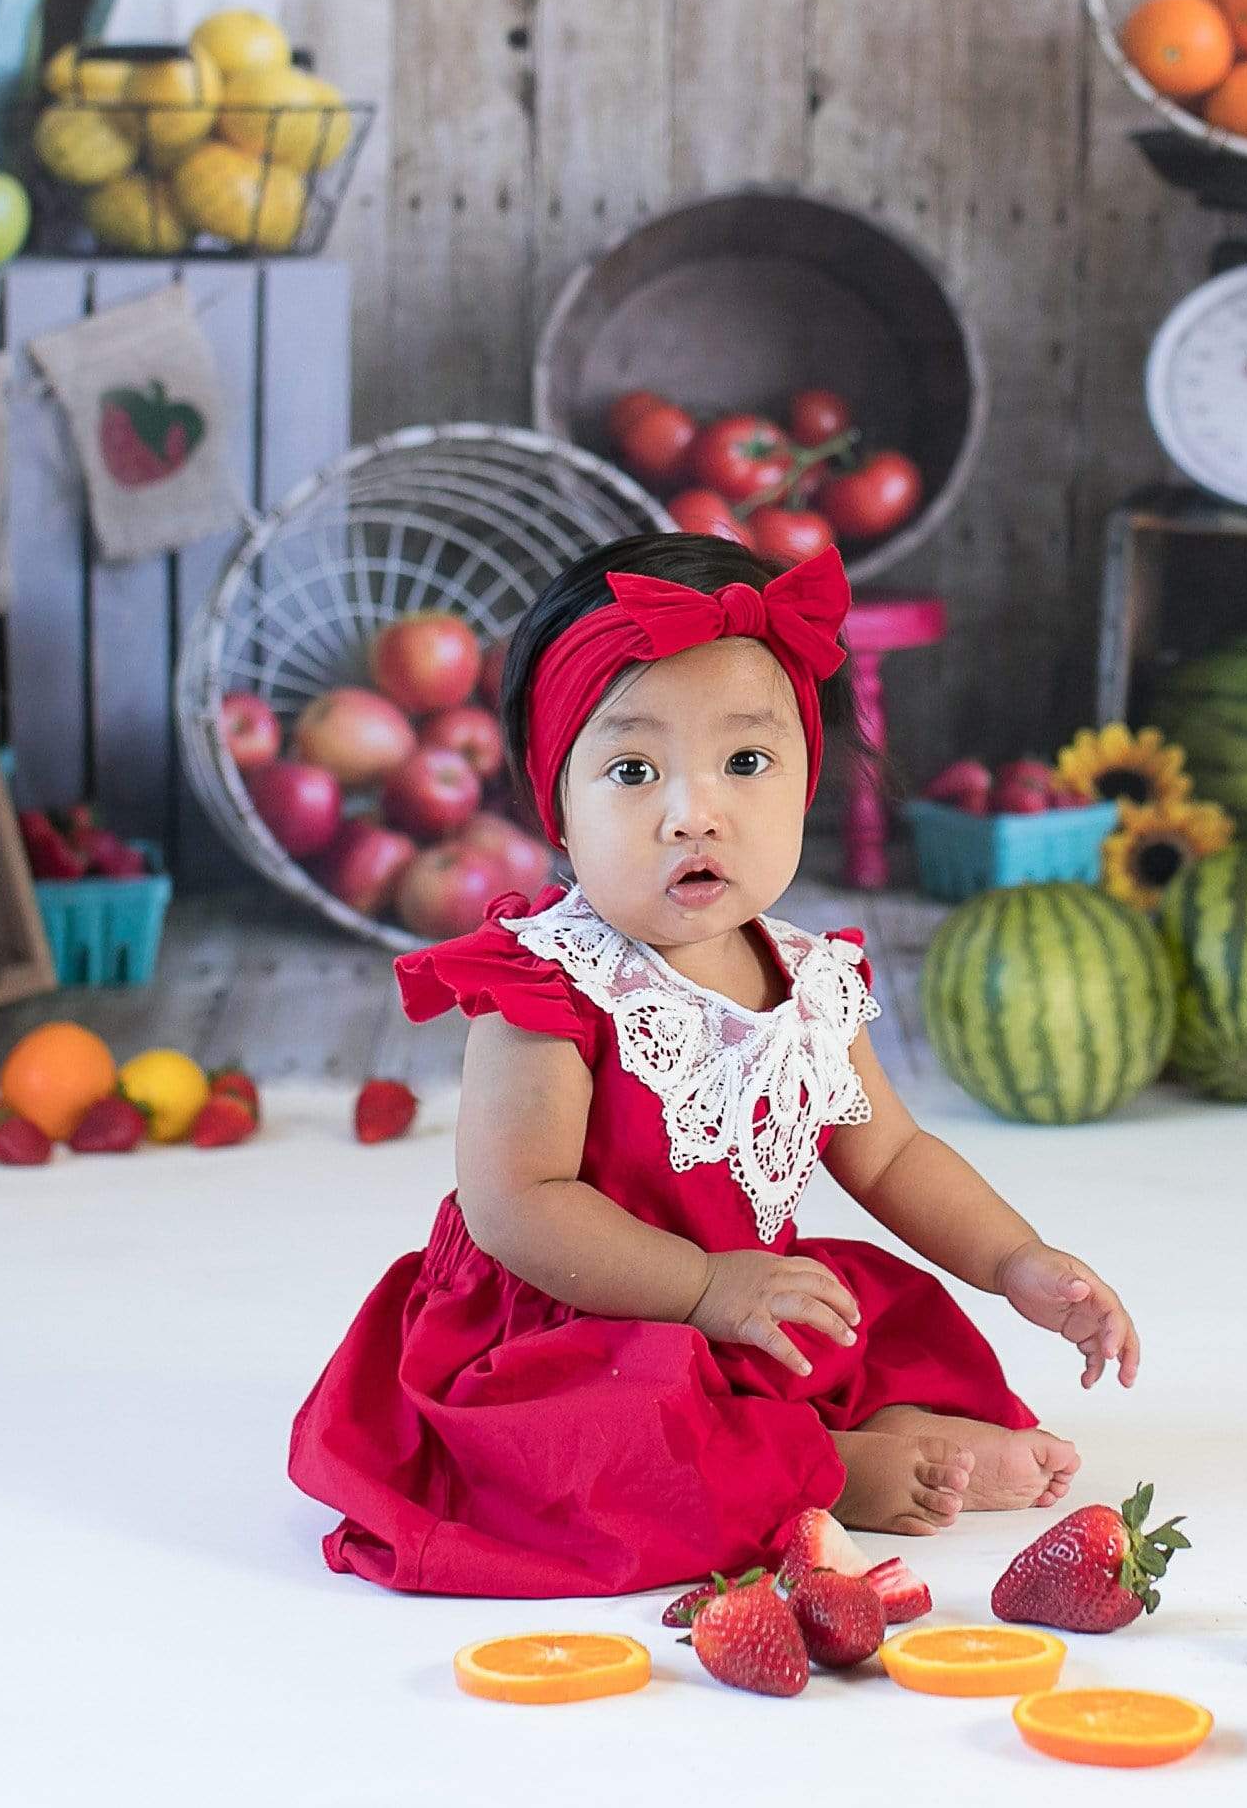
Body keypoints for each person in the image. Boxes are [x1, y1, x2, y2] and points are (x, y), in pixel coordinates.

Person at [289, 533, 1140, 1597]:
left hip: (741, 1296)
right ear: (557, 802)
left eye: (746, 761)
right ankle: (834, 1467)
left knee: (873, 1307)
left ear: (803, 783)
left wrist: (1017, 1259)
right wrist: (699, 1284)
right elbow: (516, 1202)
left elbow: (892, 1155)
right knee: (623, 1429)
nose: (694, 810)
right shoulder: (550, 983)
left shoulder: (808, 977)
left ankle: (877, 1421)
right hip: (575, 1321)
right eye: (634, 770)